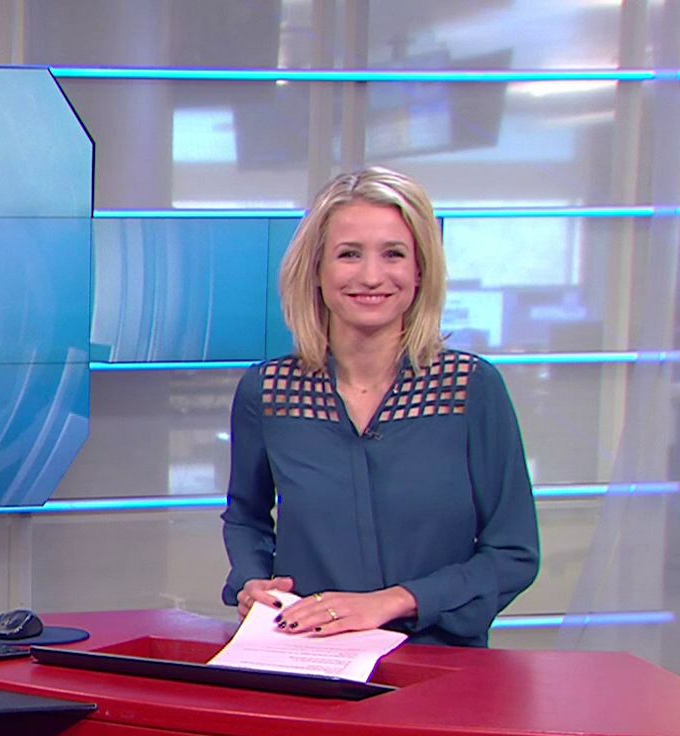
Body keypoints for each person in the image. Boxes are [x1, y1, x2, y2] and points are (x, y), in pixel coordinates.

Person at [221, 167, 538, 648]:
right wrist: (253, 581)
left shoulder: (470, 389)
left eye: (393, 254)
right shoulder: (268, 392)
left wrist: (393, 601)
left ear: (419, 271)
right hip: (307, 656)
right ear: (317, 271)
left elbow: (513, 554)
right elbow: (246, 518)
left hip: (435, 661)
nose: (371, 276)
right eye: (349, 254)